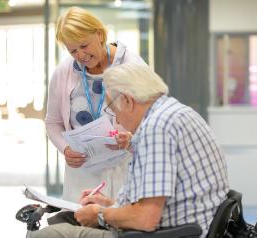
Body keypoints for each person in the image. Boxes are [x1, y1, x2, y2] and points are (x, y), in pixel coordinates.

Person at [30, 63, 230, 238]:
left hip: (166, 233)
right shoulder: (175, 113)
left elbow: (146, 219)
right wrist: (110, 204)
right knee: (65, 218)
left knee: (50, 234)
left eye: (114, 110)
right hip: (186, 225)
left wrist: (99, 213)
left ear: (127, 100)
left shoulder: (157, 128)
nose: (117, 119)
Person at [45, 6, 147, 202]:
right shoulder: (64, 71)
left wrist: (132, 138)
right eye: (72, 50)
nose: (80, 55)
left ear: (99, 34)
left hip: (125, 168)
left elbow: (153, 118)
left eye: (84, 46)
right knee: (81, 229)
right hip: (82, 172)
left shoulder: (132, 65)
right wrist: (65, 149)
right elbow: (52, 122)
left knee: (121, 227)